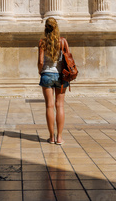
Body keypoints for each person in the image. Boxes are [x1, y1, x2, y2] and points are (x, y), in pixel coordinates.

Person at [38, 17, 69, 145]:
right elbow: (68, 59)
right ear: (57, 28)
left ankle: (51, 137)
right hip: (61, 76)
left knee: (49, 106)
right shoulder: (63, 42)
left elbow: (40, 61)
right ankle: (59, 137)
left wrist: (41, 71)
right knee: (60, 106)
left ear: (46, 28)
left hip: (47, 75)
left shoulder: (42, 42)